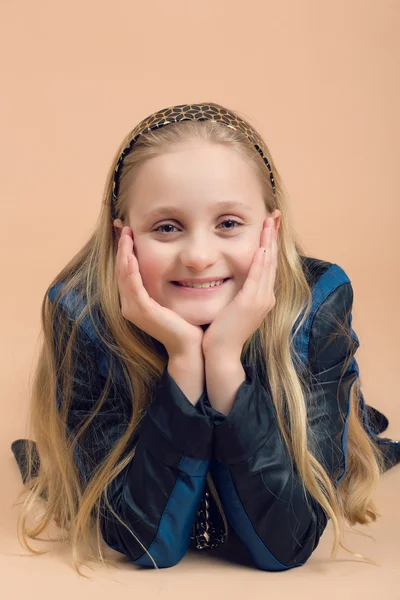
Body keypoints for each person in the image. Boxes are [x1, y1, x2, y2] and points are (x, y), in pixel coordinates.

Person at [10, 102, 400, 576]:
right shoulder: (82, 314)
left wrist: (223, 360)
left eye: (229, 224)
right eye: (167, 227)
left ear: (269, 231)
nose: (198, 256)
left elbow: (285, 543)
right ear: (123, 239)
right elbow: (147, 541)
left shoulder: (315, 304)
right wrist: (184, 361)